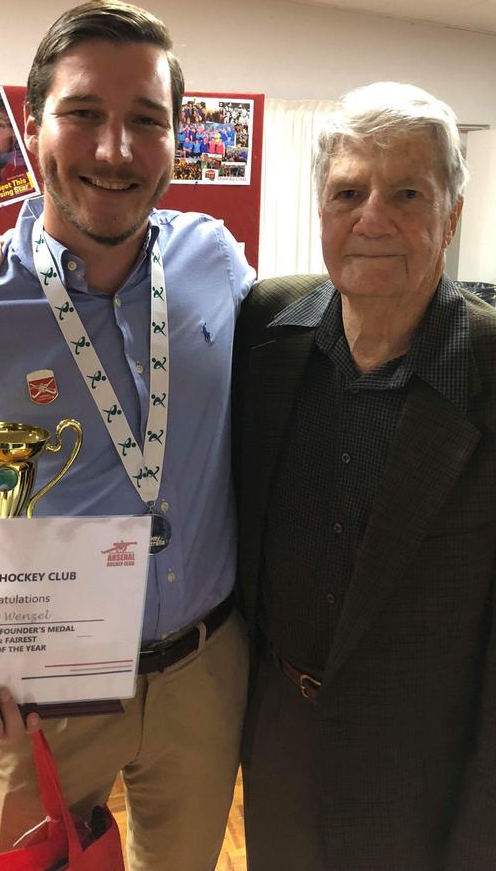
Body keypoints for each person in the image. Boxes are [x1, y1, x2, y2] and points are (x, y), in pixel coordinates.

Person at [0, 0, 254, 871]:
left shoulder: (216, 263)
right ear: (30, 126)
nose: (114, 150)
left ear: (177, 140)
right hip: (40, 696)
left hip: (207, 671)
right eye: (83, 114)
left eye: (147, 121)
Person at [233, 82, 496, 871]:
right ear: (320, 210)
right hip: (278, 746)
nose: (372, 218)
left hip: (428, 772)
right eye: (348, 191)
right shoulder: (264, 332)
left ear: (452, 214)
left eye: (406, 191)